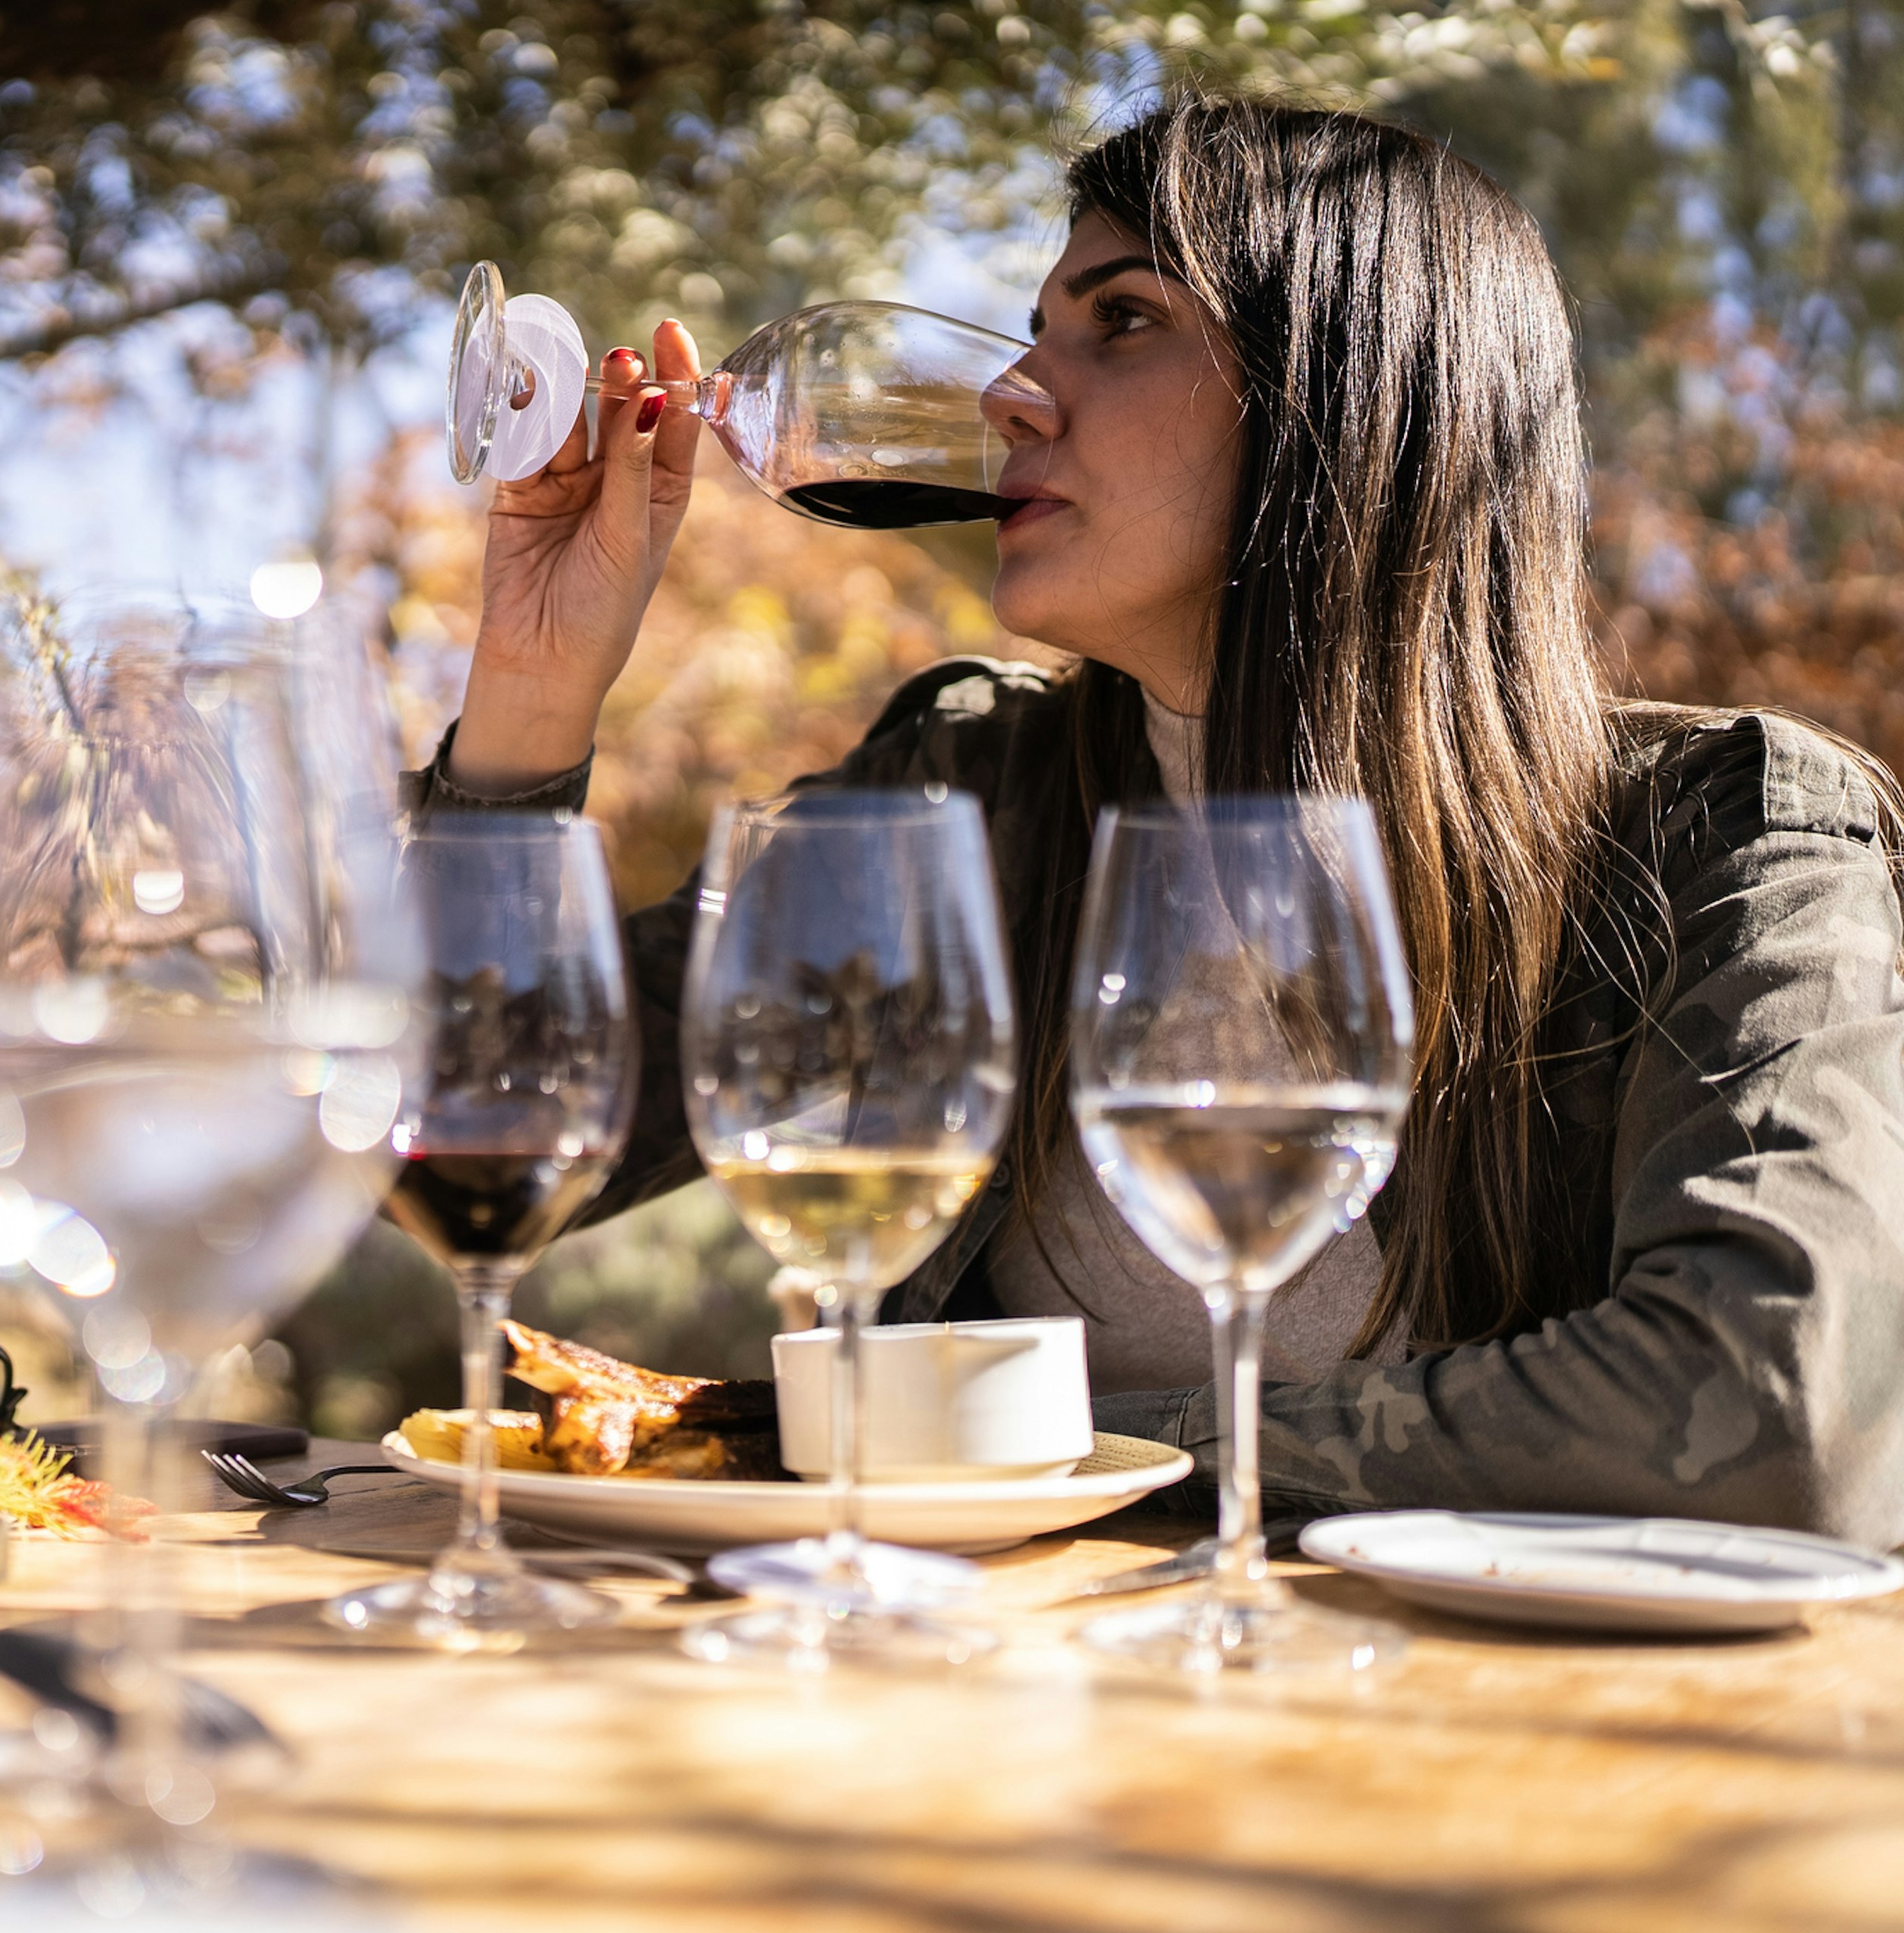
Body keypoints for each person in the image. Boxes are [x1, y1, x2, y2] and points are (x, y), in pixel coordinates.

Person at [411, 95, 1904, 1546]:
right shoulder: (966, 795)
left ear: (1353, 390)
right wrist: (532, 696)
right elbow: (450, 1142)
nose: (1008, 395)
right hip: (1026, 1722)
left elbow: (1767, 1411)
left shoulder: (1726, 839)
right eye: (1037, 328)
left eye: (1120, 320)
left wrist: (1066, 1456)